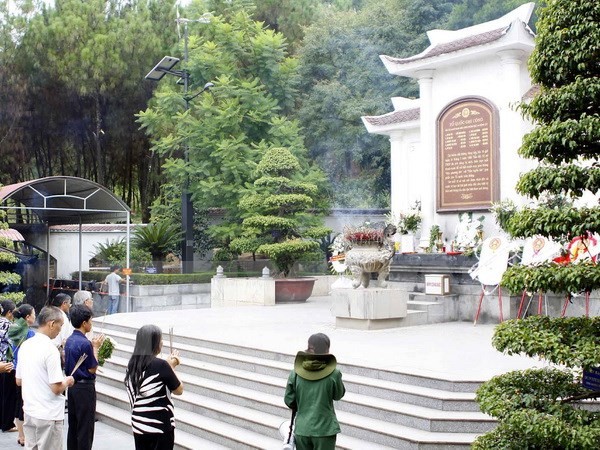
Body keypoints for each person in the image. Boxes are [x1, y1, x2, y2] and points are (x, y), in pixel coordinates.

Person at [16, 306, 74, 450]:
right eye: (60, 325)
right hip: (48, 414)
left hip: (30, 410)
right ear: (51, 323)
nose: (60, 330)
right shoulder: (50, 350)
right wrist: (67, 381)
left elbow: (19, 380)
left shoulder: (26, 345)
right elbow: (56, 388)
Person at [124, 324, 183, 450]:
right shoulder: (161, 365)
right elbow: (179, 389)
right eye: (160, 339)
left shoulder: (132, 364)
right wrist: (172, 366)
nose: (162, 342)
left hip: (139, 423)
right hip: (160, 426)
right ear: (155, 343)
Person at [284, 333, 346, 450]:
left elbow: (289, 400)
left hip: (302, 429)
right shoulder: (334, 373)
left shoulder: (295, 373)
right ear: (327, 350)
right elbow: (338, 395)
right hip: (325, 430)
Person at [64, 305, 105, 450]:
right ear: (84, 323)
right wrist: (96, 348)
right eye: (90, 321)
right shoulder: (85, 343)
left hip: (73, 386)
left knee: (73, 425)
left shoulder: (69, 340)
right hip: (85, 387)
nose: (91, 323)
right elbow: (93, 368)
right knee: (85, 427)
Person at [8, 303, 36, 447]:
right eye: (33, 314)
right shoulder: (29, 333)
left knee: (18, 403)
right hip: (27, 372)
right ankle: (26, 436)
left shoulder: (13, 329)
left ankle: (21, 436)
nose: (35, 316)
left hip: (15, 369)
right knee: (26, 404)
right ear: (27, 317)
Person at [0, 300, 16, 433]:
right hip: (7, 364)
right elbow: (13, 343)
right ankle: (7, 423)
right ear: (9, 312)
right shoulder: (9, 325)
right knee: (8, 395)